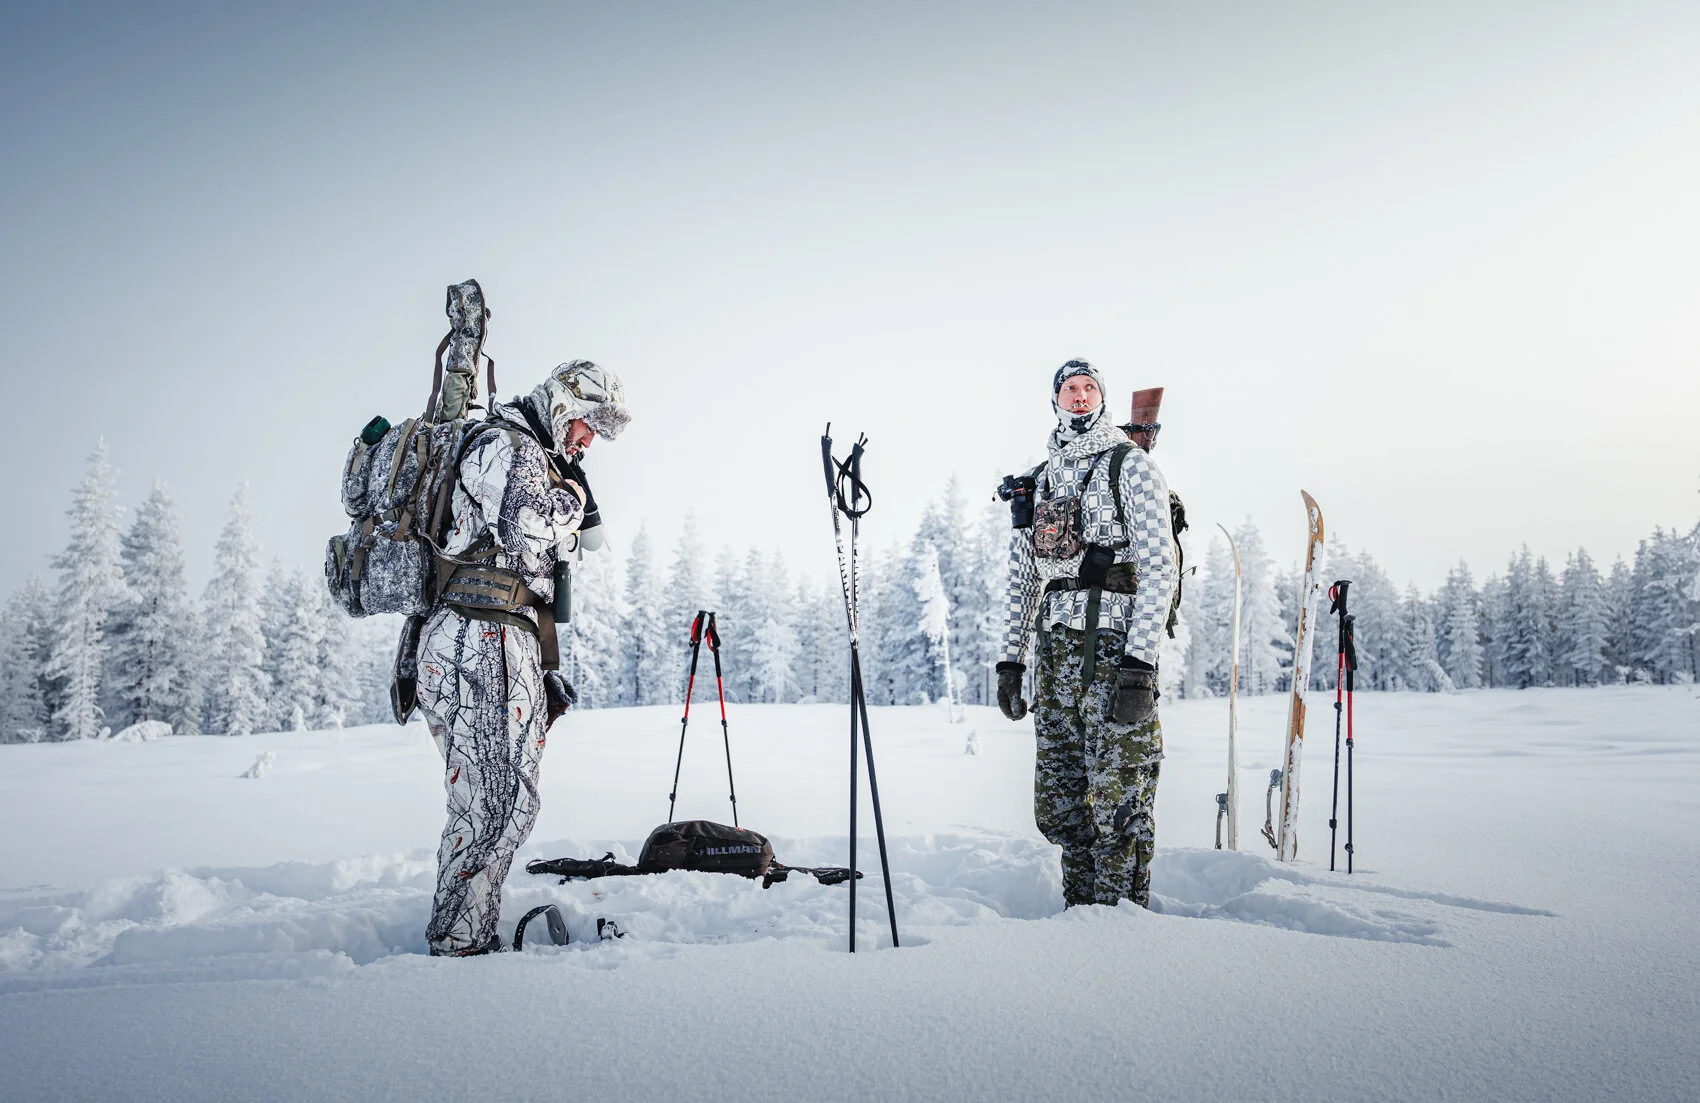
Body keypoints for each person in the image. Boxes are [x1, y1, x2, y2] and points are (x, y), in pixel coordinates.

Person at [416, 360, 630, 956]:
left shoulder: (532, 455)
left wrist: (542, 670)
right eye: (588, 424)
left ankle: (469, 931)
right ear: (563, 404)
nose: (589, 441)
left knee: (506, 798)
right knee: (493, 799)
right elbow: (525, 527)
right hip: (475, 638)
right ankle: (459, 948)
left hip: (503, 642)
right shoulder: (504, 445)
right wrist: (571, 499)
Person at [995, 360, 1177, 909]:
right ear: (1055, 400)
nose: (1079, 396)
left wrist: (1139, 666)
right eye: (1069, 389)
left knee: (1117, 796)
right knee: (1062, 798)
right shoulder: (1042, 478)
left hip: (1114, 648)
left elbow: (1159, 566)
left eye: (1089, 388)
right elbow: (1024, 576)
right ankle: (1080, 918)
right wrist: (1011, 662)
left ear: (1102, 397)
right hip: (1056, 654)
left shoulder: (1131, 466)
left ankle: (1122, 926)